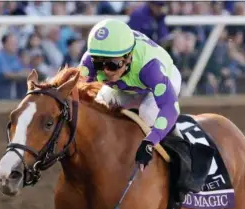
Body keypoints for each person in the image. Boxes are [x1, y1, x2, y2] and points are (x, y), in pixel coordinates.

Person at [78, 19, 189, 174]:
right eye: (99, 64)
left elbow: (171, 106)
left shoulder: (150, 68)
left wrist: (149, 142)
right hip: (124, 86)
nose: (107, 72)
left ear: (129, 57)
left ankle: (181, 148)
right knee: (100, 105)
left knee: (148, 113)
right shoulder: (89, 60)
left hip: (162, 80)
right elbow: (74, 93)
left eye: (113, 65)